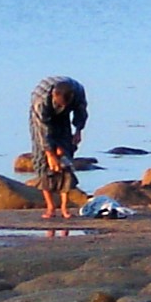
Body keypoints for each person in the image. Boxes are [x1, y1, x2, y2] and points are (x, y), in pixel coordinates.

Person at [29, 75, 88, 217]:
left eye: (65, 105)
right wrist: (49, 154)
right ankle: (50, 207)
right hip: (41, 119)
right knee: (43, 162)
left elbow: (81, 112)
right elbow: (43, 130)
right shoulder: (40, 102)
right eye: (60, 104)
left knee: (65, 159)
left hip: (64, 118)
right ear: (54, 95)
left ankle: (64, 207)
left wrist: (78, 131)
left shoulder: (78, 92)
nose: (62, 107)